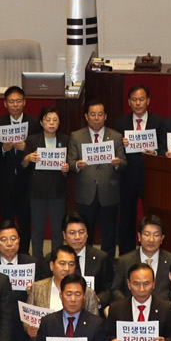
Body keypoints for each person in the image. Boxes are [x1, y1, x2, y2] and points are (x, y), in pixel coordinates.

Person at [68, 101, 126, 253]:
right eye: (93, 114)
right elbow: (70, 161)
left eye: (100, 114)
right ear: (86, 116)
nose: (96, 118)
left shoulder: (116, 136)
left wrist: (118, 163)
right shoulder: (76, 136)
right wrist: (76, 165)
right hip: (86, 192)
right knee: (85, 232)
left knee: (109, 233)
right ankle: (86, 262)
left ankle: (108, 265)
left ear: (105, 116)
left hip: (109, 192)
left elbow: (124, 162)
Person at [23, 109, 68, 260]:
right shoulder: (32, 140)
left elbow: (71, 163)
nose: (51, 123)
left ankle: (57, 260)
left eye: (55, 120)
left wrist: (67, 168)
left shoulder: (65, 140)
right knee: (38, 231)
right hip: (37, 192)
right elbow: (23, 164)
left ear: (59, 123)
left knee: (57, 230)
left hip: (57, 192)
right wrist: (28, 158)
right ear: (41, 122)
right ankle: (37, 261)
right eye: (48, 120)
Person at [0, 86, 34, 240]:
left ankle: (24, 254)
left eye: (18, 101)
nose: (15, 105)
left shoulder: (34, 123)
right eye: (11, 101)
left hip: (27, 181)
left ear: (24, 102)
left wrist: (27, 148)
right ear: (5, 104)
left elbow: (39, 148)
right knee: (6, 220)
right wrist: (4, 148)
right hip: (5, 181)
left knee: (25, 220)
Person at [117, 84, 155, 252]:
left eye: (141, 99)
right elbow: (115, 151)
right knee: (126, 220)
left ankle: (152, 253)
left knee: (152, 220)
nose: (138, 103)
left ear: (148, 101)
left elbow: (165, 148)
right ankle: (126, 255)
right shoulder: (120, 123)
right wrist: (121, 145)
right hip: (126, 178)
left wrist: (155, 151)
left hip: (150, 178)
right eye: (134, 100)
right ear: (129, 102)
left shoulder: (159, 122)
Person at [113, 213, 171, 294]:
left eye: (156, 235)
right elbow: (115, 291)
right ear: (139, 236)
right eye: (147, 234)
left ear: (162, 238)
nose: (151, 239)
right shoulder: (124, 261)